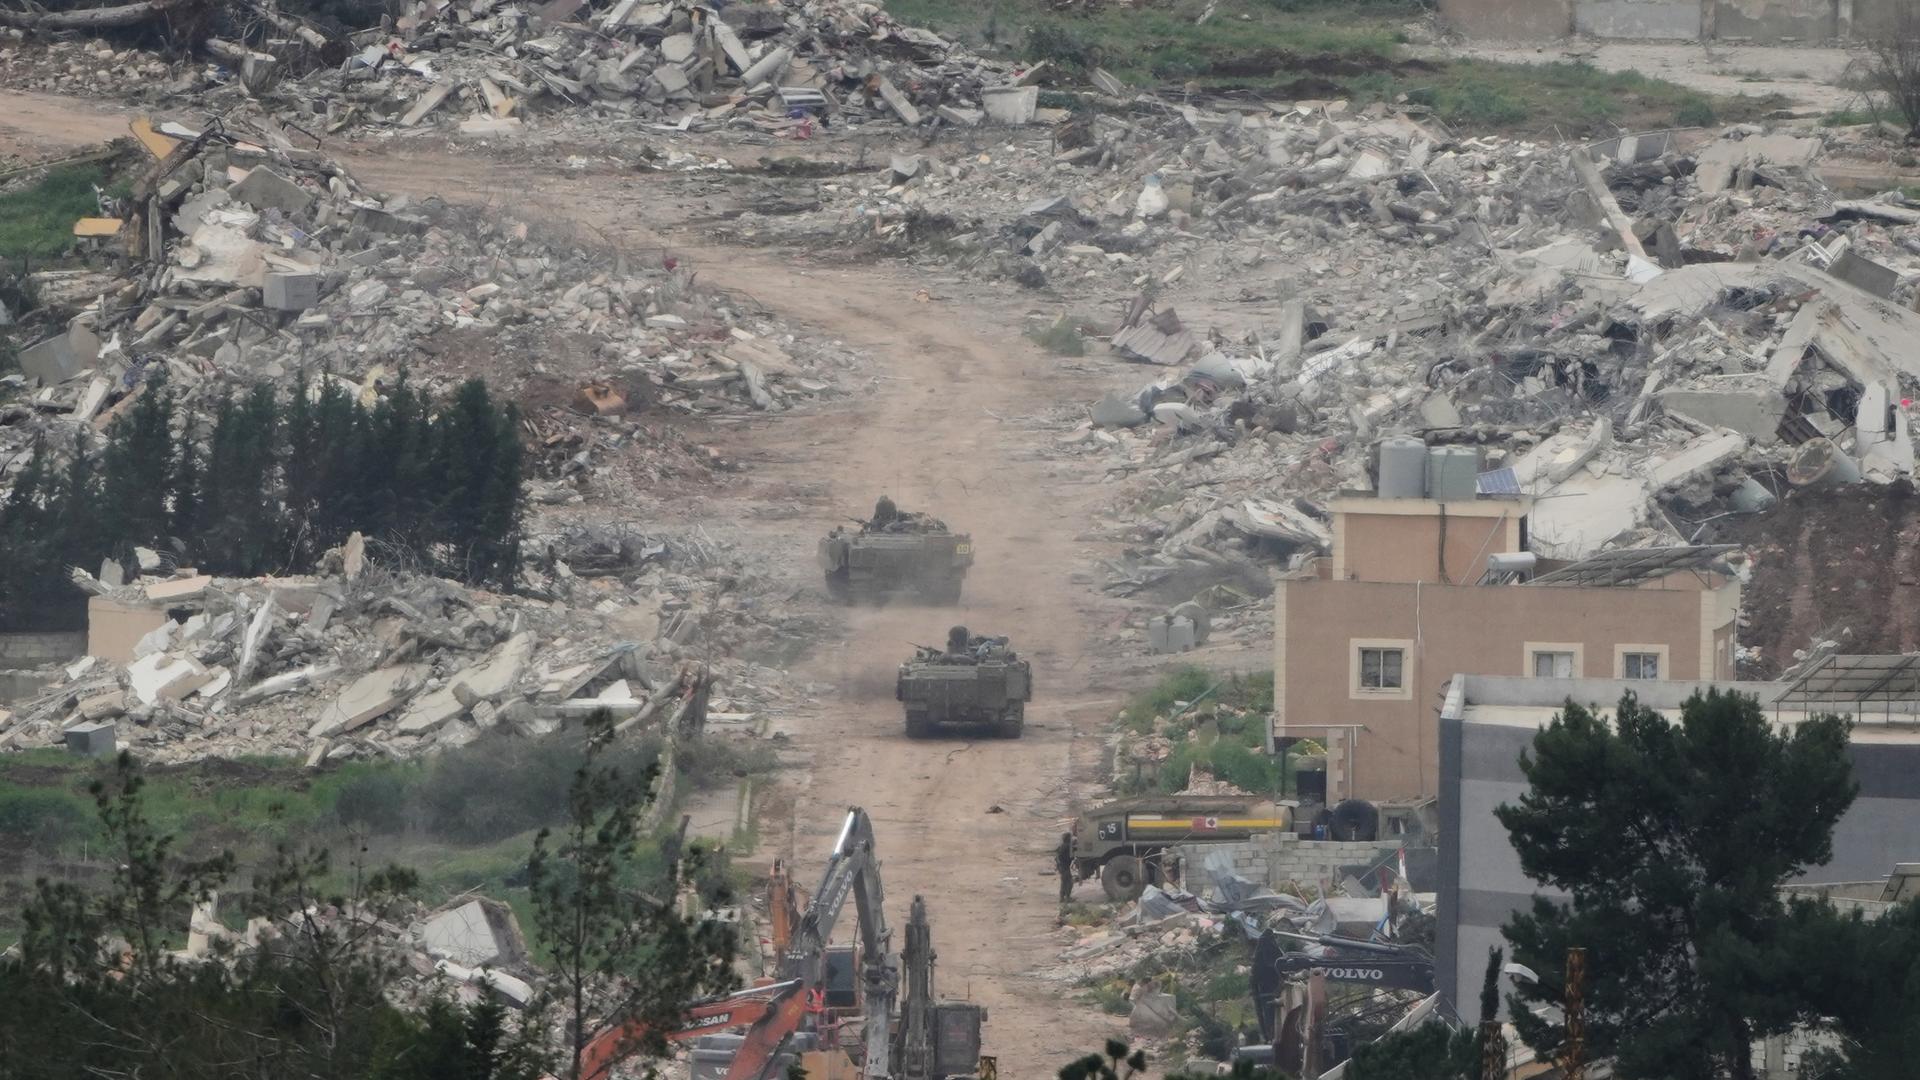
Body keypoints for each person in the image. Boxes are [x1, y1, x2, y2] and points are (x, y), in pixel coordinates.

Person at [1055, 831, 1075, 906]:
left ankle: (1062, 897)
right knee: (1069, 882)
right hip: (1064, 867)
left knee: (1064, 882)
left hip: (1061, 866)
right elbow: (1070, 857)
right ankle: (1067, 897)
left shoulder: (1062, 846)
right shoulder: (1067, 846)